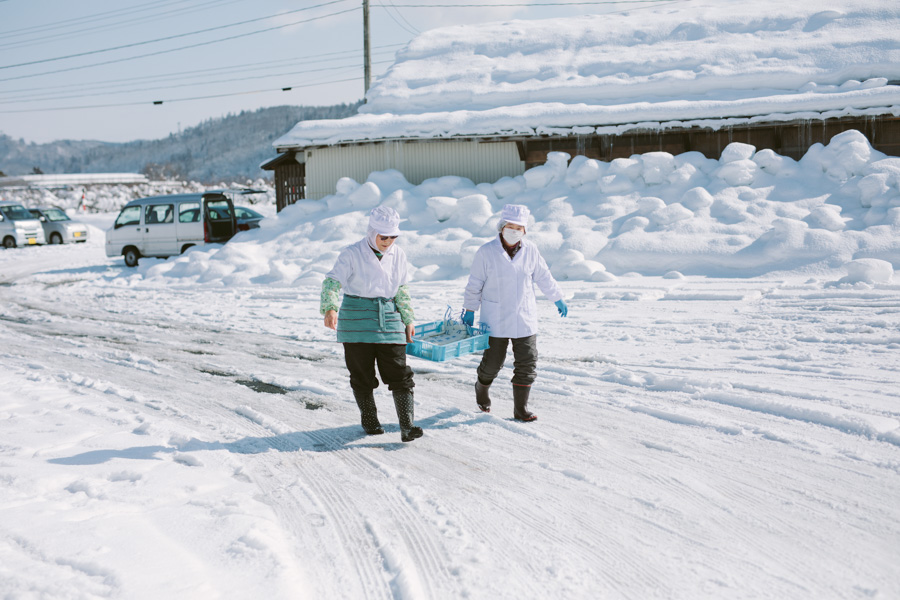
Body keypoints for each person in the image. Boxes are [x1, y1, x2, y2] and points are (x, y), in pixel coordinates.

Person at [320, 206, 424, 442]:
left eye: (393, 236)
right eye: (383, 236)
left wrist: (408, 319)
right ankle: (369, 420)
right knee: (362, 375)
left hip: (388, 317)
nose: (388, 241)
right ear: (371, 232)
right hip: (356, 319)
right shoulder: (351, 253)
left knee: (400, 372)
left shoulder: (399, 255)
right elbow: (332, 282)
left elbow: (402, 290)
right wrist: (330, 307)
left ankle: (407, 426)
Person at [462, 204, 568, 421]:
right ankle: (481, 388)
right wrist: (470, 309)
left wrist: (557, 297)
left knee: (527, 362)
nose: (514, 230)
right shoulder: (486, 251)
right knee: (492, 363)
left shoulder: (531, 250)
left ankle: (521, 409)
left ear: (524, 231)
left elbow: (543, 276)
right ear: (501, 227)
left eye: (519, 227)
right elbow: (475, 283)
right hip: (495, 318)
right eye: (510, 226)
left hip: (524, 316)